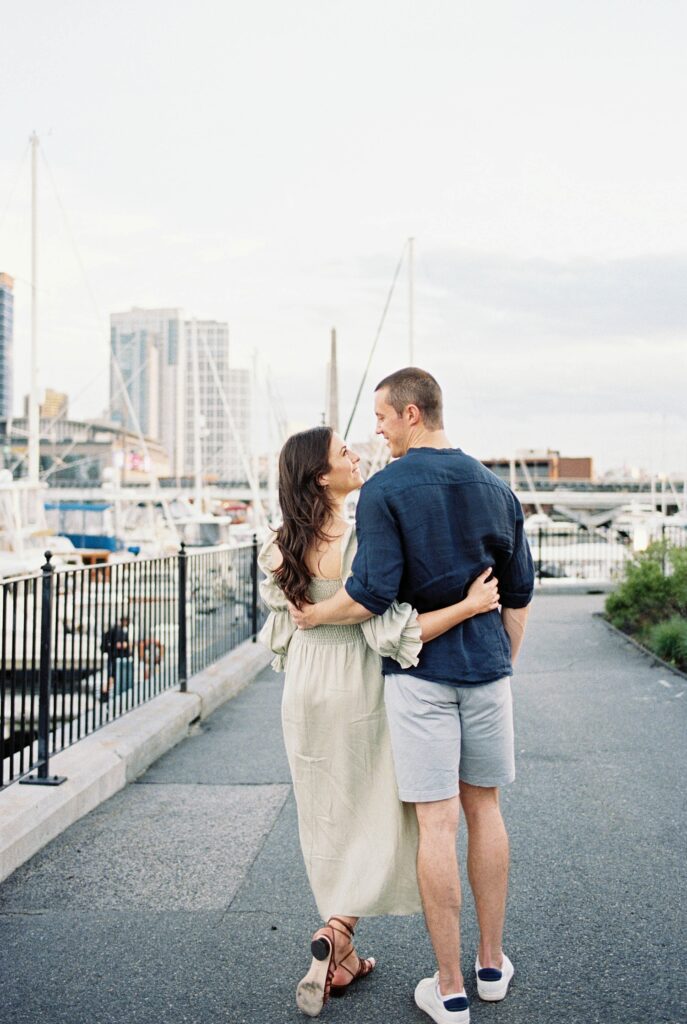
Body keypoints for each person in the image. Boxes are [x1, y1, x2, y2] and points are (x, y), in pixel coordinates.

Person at [289, 368, 535, 1024]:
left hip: (418, 676)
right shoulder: (496, 487)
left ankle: (448, 989)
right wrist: (497, 661)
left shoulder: (386, 490)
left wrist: (313, 617)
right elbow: (517, 596)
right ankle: (490, 965)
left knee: (436, 824)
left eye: (381, 417)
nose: (375, 429)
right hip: (485, 671)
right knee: (485, 811)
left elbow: (371, 595)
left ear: (410, 415)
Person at [100, 614, 132, 703]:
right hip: (116, 658)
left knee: (112, 677)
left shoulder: (116, 630)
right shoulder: (117, 630)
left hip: (115, 657)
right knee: (112, 677)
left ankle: (105, 695)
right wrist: (124, 645)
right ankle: (104, 696)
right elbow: (117, 644)